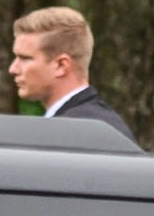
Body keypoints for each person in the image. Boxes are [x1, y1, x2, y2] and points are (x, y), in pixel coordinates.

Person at [9, 7, 135, 142]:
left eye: (25, 58)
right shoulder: (96, 124)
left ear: (61, 65)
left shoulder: (77, 132)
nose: (13, 69)